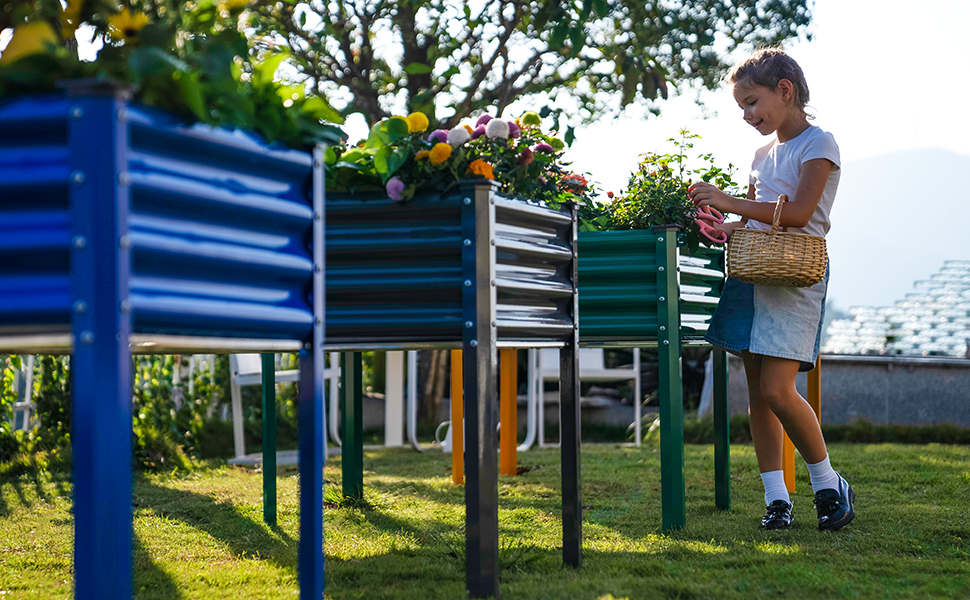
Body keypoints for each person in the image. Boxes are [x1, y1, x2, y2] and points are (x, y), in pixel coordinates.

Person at [687, 47, 854, 532]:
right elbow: (758, 219)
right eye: (741, 106)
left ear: (785, 91)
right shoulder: (762, 154)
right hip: (752, 277)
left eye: (752, 102)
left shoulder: (819, 143)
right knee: (758, 395)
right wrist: (727, 225)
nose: (747, 115)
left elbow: (799, 216)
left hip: (794, 281)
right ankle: (776, 499)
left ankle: (827, 485)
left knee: (779, 391)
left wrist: (728, 199)